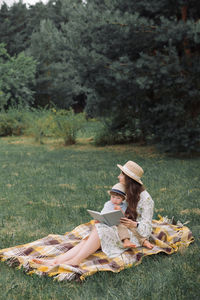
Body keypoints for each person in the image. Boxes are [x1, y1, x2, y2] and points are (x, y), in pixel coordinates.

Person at [33, 160, 154, 267]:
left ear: (129, 179)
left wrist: (134, 224)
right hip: (119, 227)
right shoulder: (126, 191)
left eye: (122, 174)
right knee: (92, 234)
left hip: (134, 235)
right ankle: (57, 260)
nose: (118, 176)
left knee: (98, 231)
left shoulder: (146, 200)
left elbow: (147, 230)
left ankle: (75, 261)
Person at [101, 182, 152, 249]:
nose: (115, 200)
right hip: (112, 222)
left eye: (118, 198)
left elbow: (124, 215)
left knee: (132, 228)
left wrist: (120, 211)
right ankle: (126, 241)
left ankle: (143, 241)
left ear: (123, 199)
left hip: (121, 220)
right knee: (122, 227)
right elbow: (103, 213)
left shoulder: (123, 205)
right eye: (113, 197)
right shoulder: (108, 204)